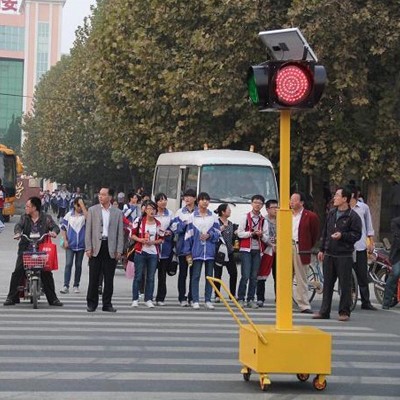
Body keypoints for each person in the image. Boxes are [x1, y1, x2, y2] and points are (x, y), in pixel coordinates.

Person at [3, 196, 63, 306]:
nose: (26, 208)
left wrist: (54, 232)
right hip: (26, 249)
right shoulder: (24, 217)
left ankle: (53, 299)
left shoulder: (46, 218)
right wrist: (18, 233)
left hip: (41, 250)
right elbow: (18, 226)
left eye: (28, 206)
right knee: (18, 271)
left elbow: (55, 227)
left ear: (34, 208)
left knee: (46, 272)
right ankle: (11, 297)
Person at [313, 187, 362, 321]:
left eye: (337, 195)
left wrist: (342, 235)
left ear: (345, 199)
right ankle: (324, 311)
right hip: (329, 253)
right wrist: (322, 249)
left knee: (345, 284)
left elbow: (357, 235)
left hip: (344, 255)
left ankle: (344, 312)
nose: (334, 197)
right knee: (327, 284)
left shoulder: (353, 216)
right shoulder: (331, 213)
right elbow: (325, 232)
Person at [85, 187, 124, 312]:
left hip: (110, 246)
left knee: (109, 278)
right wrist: (88, 247)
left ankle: (107, 304)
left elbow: (120, 233)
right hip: (96, 246)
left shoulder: (118, 213)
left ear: (110, 197)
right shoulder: (93, 210)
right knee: (94, 277)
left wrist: (119, 250)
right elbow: (88, 231)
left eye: (103, 194)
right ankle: (92, 303)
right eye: (99, 194)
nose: (100, 196)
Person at [183, 192, 220, 309]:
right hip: (196, 251)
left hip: (209, 251)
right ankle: (195, 300)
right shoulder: (192, 217)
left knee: (209, 276)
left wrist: (210, 235)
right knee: (195, 276)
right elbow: (188, 235)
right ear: (198, 201)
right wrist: (187, 252)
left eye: (207, 200)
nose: (205, 202)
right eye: (202, 199)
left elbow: (218, 233)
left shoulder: (213, 217)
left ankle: (208, 300)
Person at [290, 192, 320, 314]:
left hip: (300, 247)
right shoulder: (286, 214)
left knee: (301, 277)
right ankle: (285, 302)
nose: (291, 202)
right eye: (291, 200)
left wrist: (307, 245)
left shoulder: (310, 216)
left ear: (302, 202)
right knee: (285, 276)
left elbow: (314, 234)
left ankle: (303, 304)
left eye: (295, 200)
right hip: (287, 246)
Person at [237, 195, 269, 309]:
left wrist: (261, 235)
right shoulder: (245, 217)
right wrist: (251, 233)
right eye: (255, 202)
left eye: (260, 203)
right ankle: (241, 298)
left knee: (254, 276)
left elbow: (267, 237)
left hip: (258, 250)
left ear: (262, 205)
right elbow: (239, 233)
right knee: (245, 275)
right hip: (246, 249)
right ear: (251, 203)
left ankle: (250, 299)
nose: (257, 205)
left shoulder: (263, 220)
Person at [131, 200, 164, 308]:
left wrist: (153, 242)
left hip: (153, 253)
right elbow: (132, 234)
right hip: (140, 251)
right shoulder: (139, 221)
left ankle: (148, 299)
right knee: (138, 276)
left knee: (151, 277)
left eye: (153, 209)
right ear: (145, 210)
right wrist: (141, 240)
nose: (151, 211)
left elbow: (161, 239)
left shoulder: (158, 224)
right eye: (149, 208)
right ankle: (135, 299)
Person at [349, 188, 377, 310]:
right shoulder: (344, 208)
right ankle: (348, 299)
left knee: (362, 274)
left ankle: (366, 301)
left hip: (360, 245)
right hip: (347, 246)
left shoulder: (363, 208)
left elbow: (368, 225)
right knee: (347, 274)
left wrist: (371, 241)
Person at [170, 188, 197, 307]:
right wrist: (184, 224)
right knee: (183, 273)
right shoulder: (180, 212)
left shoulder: (199, 212)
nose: (187, 199)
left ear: (195, 198)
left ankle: (192, 297)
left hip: (196, 248)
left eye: (189, 196)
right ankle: (182, 297)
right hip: (183, 248)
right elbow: (174, 228)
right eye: (185, 196)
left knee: (194, 274)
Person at [60, 197, 88, 294]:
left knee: (78, 265)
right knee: (68, 264)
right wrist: (65, 240)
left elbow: (89, 219)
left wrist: (83, 206)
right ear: (74, 205)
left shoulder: (84, 215)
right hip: (70, 245)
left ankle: (76, 285)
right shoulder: (69, 215)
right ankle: (65, 285)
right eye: (78, 205)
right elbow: (63, 228)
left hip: (81, 245)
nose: (79, 207)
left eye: (81, 205)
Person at [256, 199, 278, 307]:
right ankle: (260, 298)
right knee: (262, 274)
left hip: (279, 250)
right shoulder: (263, 220)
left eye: (277, 207)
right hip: (266, 250)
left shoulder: (282, 219)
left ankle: (279, 298)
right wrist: (270, 243)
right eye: (273, 207)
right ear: (268, 209)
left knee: (278, 275)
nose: (276, 210)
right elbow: (262, 235)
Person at [213, 204, 237, 300]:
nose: (230, 211)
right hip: (219, 252)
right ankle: (217, 295)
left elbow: (232, 237)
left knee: (233, 273)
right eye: (228, 210)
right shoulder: (216, 222)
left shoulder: (231, 224)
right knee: (218, 274)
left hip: (229, 251)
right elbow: (213, 233)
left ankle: (232, 294)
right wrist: (221, 228)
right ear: (223, 212)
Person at [154, 193, 174, 306]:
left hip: (166, 247)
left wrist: (169, 232)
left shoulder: (170, 213)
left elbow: (173, 226)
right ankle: (148, 296)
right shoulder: (153, 213)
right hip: (153, 247)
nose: (163, 202)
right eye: (160, 200)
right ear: (156, 202)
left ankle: (160, 297)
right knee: (150, 274)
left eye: (165, 200)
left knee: (162, 275)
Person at [382, 216, 400, 309]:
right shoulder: (396, 222)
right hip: (397, 255)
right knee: (396, 273)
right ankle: (386, 302)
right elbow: (397, 238)